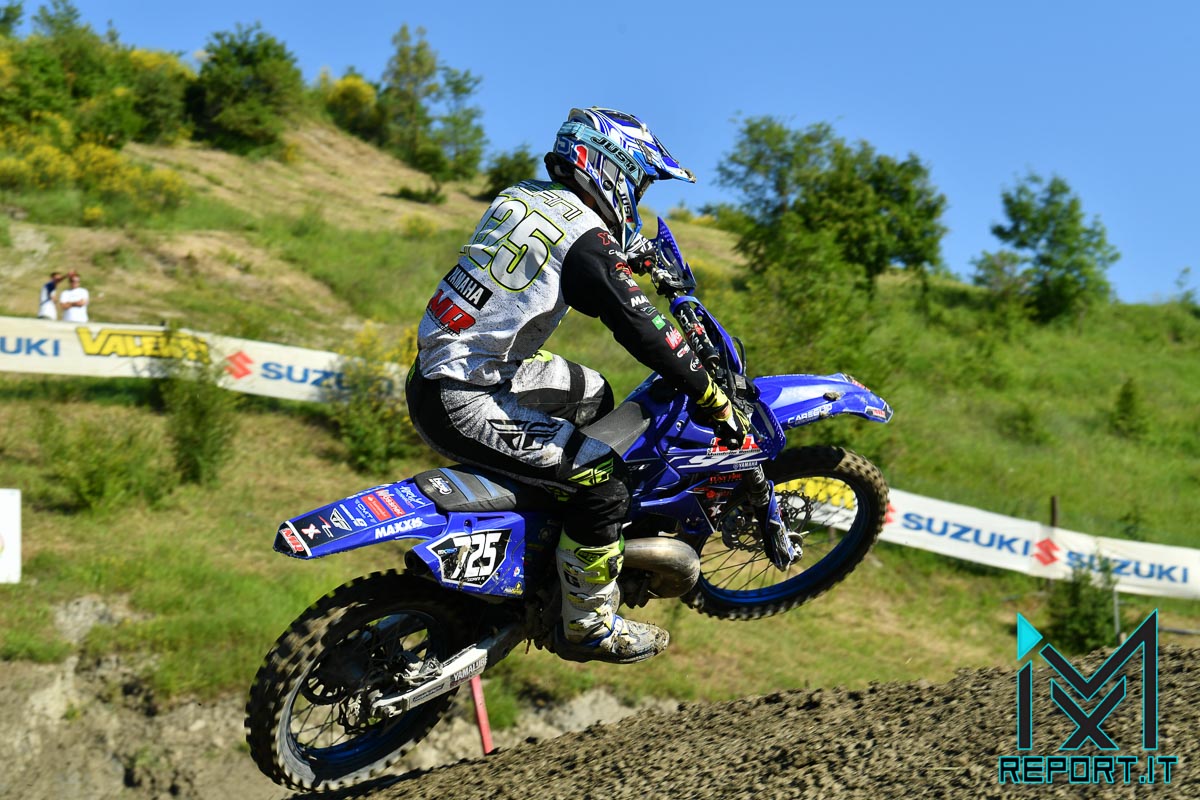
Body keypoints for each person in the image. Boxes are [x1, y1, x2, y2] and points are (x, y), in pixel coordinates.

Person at [407, 107, 754, 665]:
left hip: (459, 367)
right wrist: (707, 392)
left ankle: (550, 539)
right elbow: (642, 328)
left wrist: (628, 254)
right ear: (611, 171)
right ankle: (588, 626)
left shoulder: (524, 195)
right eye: (638, 184)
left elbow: (569, 250)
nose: (637, 198)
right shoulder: (586, 242)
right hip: (466, 398)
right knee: (605, 485)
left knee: (593, 394)